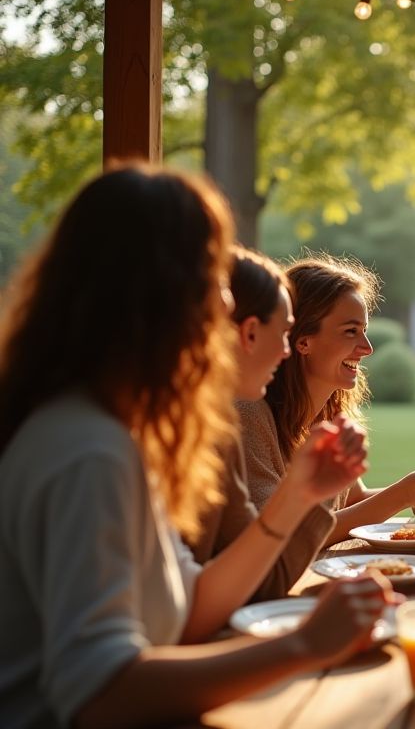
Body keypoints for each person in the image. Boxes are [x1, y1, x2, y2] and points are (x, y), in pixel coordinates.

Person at [0, 166, 392, 729]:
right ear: (162, 298)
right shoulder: (86, 449)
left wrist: (299, 494)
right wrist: (303, 645)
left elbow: (190, 608)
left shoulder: (121, 436)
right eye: (214, 279)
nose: (229, 302)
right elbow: (97, 692)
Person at [242, 253, 415, 542]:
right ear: (303, 341)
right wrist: (402, 493)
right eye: (351, 331)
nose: (367, 348)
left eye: (364, 331)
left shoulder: (326, 417)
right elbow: (280, 538)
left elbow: (353, 501)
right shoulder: (250, 415)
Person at [186, 247, 369, 600]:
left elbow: (266, 577)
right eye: (284, 333)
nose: (286, 350)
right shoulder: (241, 417)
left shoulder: (321, 416)